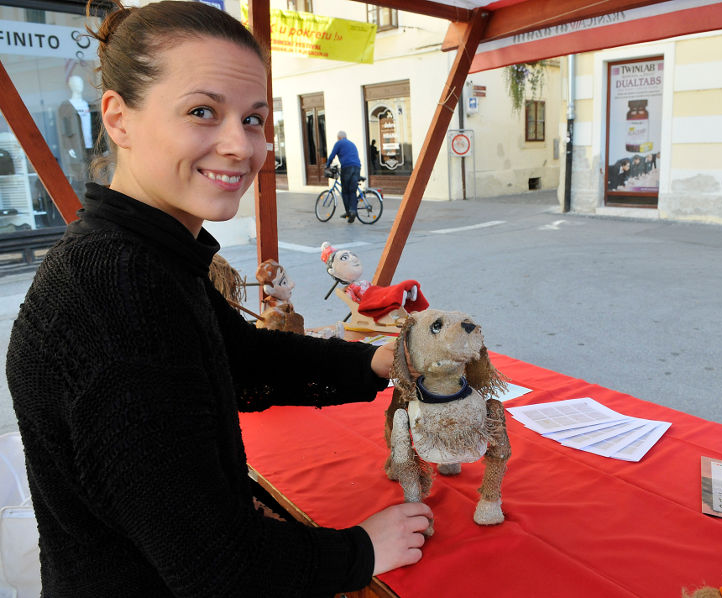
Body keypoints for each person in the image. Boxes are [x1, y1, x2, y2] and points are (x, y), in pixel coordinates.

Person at [5, 1, 431, 596]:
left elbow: (237, 358)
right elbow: (219, 568)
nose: (241, 146)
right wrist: (360, 549)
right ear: (118, 119)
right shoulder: (117, 290)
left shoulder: (145, 253)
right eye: (202, 111)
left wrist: (373, 363)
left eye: (254, 118)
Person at [325, 130, 362, 223]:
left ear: (338, 137)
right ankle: (353, 211)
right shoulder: (351, 143)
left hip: (347, 167)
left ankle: (348, 212)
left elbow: (332, 155)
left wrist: (327, 165)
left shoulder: (339, 143)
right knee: (353, 191)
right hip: (357, 167)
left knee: (345, 191)